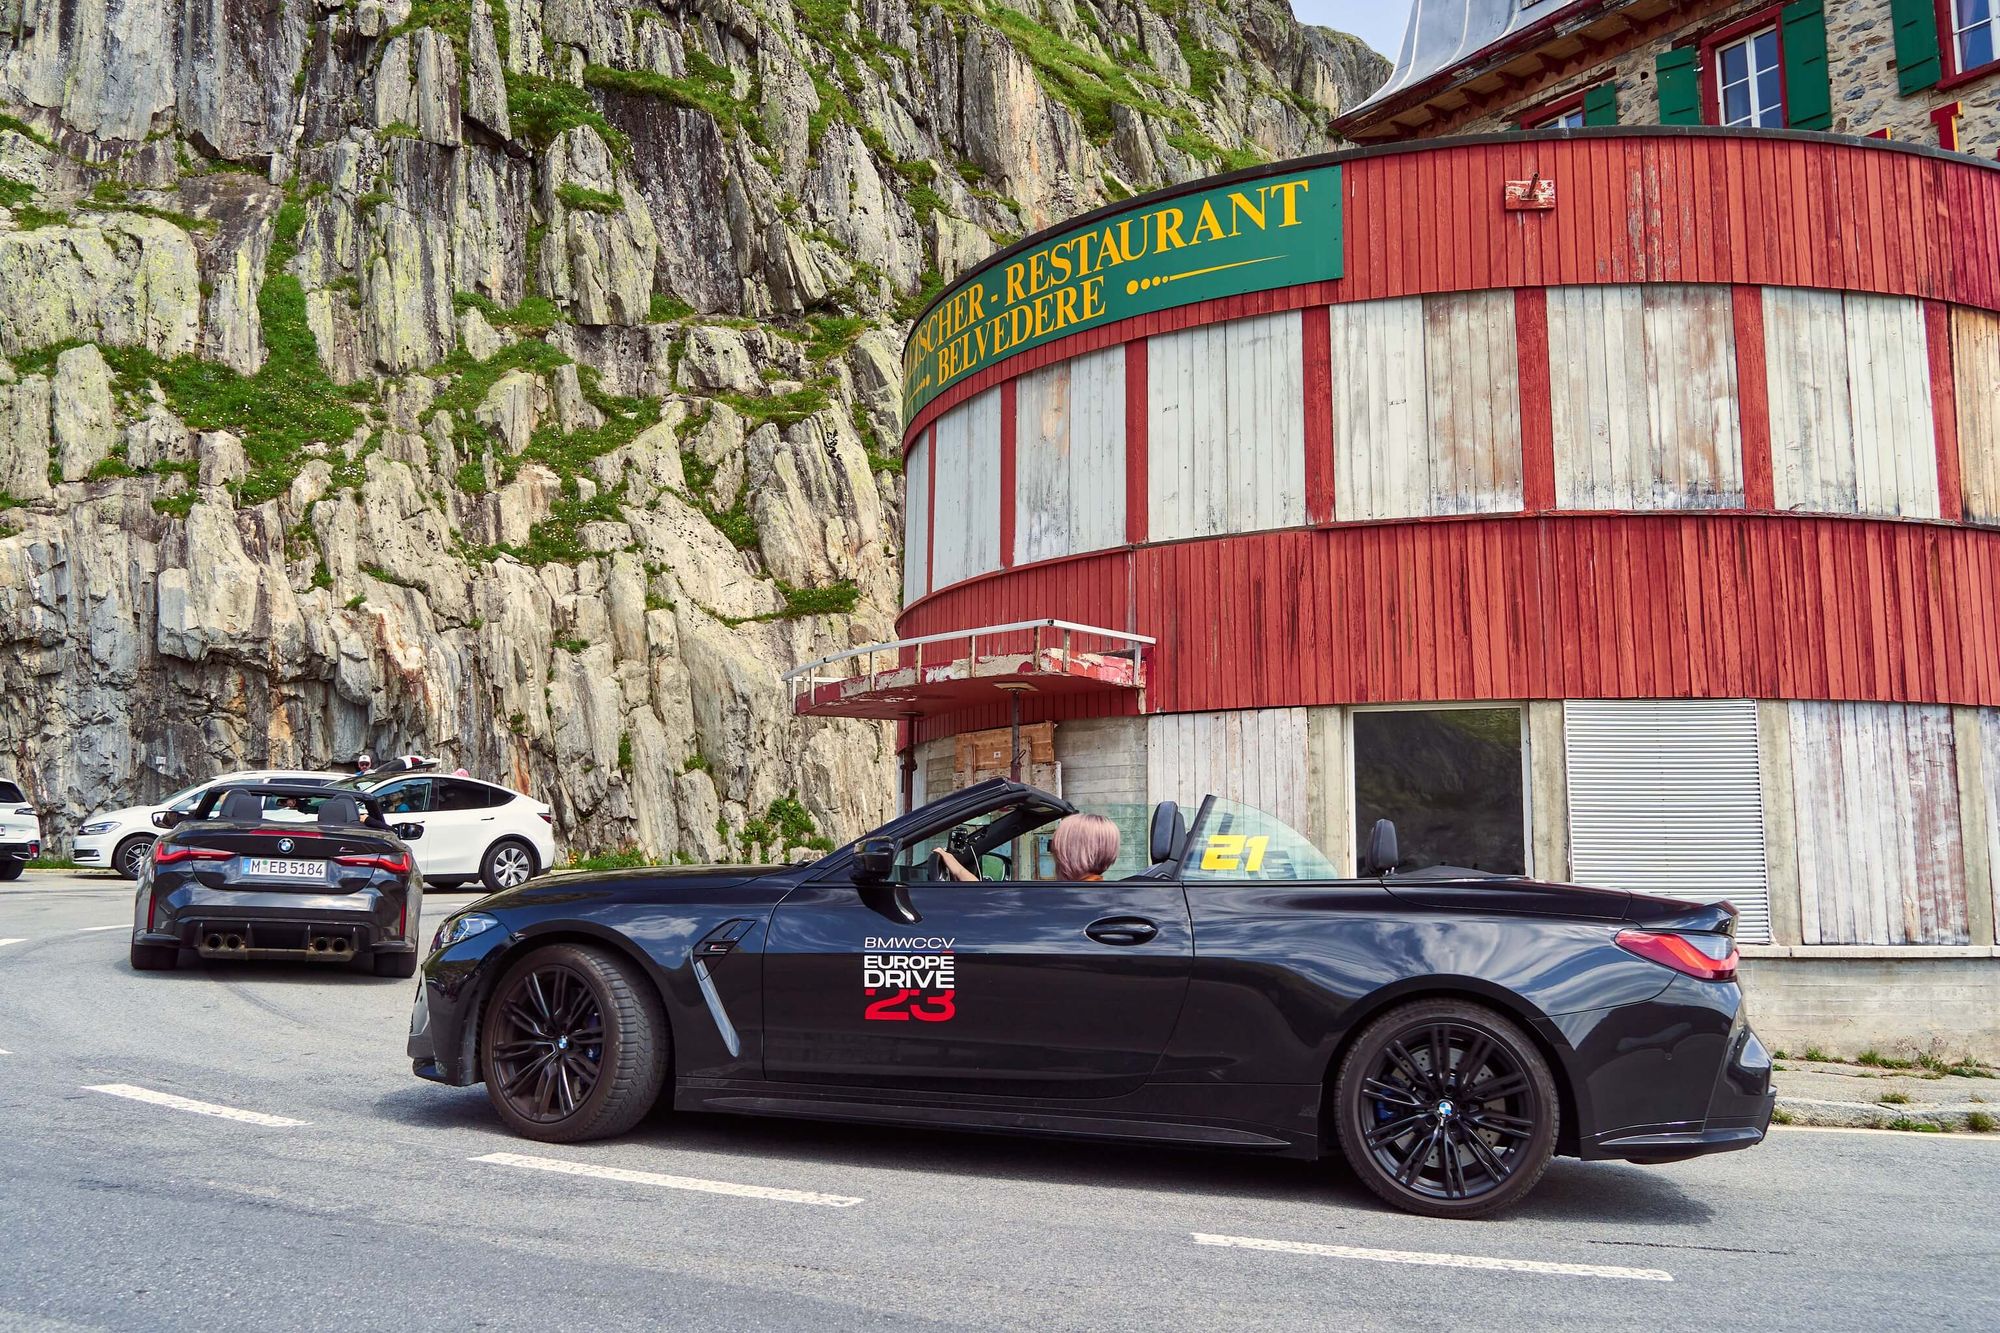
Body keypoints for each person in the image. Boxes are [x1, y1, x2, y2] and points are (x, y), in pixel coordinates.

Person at [932, 812, 1121, 882]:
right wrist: (956, 866)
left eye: (1055, 846)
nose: (1053, 853)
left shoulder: (1070, 896)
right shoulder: (1088, 892)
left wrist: (953, 865)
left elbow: (986, 899)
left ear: (1071, 852)